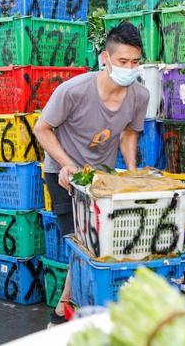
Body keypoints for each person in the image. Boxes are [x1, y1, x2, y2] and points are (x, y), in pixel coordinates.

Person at [33, 22, 149, 323]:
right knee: (82, 243)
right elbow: (42, 129)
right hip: (64, 175)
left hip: (101, 178)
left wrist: (132, 173)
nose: (129, 67)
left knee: (99, 244)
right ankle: (66, 313)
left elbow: (128, 134)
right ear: (105, 58)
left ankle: (69, 310)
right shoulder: (73, 90)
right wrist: (67, 163)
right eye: (123, 61)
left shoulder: (139, 95)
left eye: (135, 62)